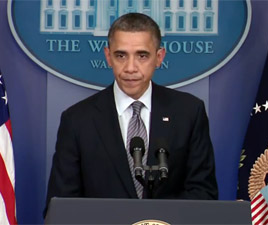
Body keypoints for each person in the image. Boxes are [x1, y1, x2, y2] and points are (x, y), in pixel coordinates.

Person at [45, 12, 218, 216]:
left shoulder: (189, 112)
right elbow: (61, 207)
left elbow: (203, 194)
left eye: (142, 56)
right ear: (108, 57)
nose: (130, 68)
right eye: (121, 55)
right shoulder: (77, 120)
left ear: (159, 57)